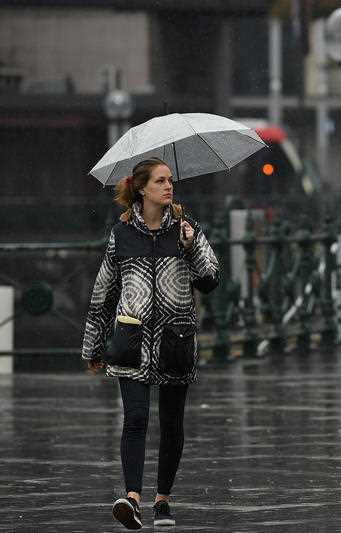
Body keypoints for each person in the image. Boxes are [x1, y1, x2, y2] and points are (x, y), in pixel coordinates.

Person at [81, 157, 219, 530]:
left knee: (172, 423)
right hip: (132, 340)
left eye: (170, 180)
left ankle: (163, 501)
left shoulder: (187, 228)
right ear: (142, 189)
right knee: (136, 418)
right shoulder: (122, 233)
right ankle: (133, 499)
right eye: (160, 181)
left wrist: (190, 249)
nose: (169, 187)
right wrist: (92, 347)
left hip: (176, 341)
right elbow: (103, 293)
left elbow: (211, 279)